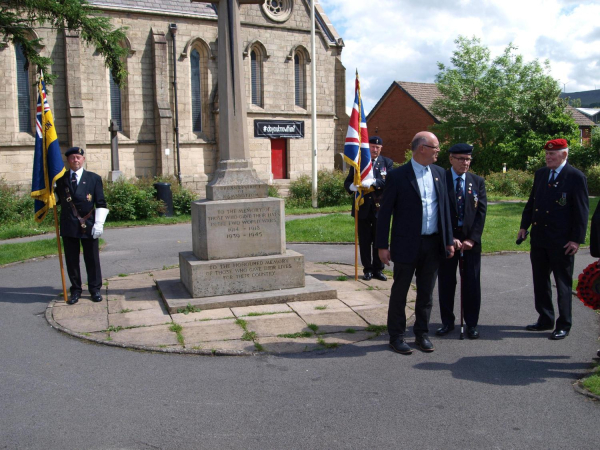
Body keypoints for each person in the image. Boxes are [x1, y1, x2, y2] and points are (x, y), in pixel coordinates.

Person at [376, 131, 455, 354]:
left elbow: (445, 211)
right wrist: (382, 245)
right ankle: (397, 336)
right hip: (406, 245)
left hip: (433, 244)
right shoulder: (398, 176)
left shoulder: (440, 173)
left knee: (426, 293)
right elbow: (385, 214)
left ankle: (421, 334)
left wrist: (448, 240)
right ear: (422, 148)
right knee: (400, 292)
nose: (439, 151)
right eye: (435, 147)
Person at [518, 138, 589, 340]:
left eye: (552, 154)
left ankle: (564, 323)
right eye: (547, 154)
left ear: (564, 154)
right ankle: (545, 318)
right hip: (540, 239)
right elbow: (532, 203)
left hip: (562, 241)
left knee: (562, 283)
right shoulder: (541, 174)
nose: (548, 157)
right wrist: (524, 226)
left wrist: (576, 240)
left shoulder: (575, 177)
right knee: (540, 281)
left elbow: (581, 212)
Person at [436, 143, 487, 339]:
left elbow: (481, 213)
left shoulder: (477, 181)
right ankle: (447, 322)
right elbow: (439, 212)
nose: (465, 163)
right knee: (447, 283)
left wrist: (472, 239)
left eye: (468, 159)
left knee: (472, 284)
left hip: (470, 244)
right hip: (448, 243)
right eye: (461, 159)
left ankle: (472, 323)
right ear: (451, 159)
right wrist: (450, 238)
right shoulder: (441, 180)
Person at [56, 147, 109, 305]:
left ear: (83, 159)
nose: (75, 160)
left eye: (78, 157)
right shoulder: (60, 180)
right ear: (68, 161)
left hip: (89, 224)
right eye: (72, 158)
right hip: (69, 225)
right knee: (72, 260)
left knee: (92, 258)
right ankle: (76, 290)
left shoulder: (93, 178)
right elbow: (58, 201)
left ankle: (94, 289)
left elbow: (100, 202)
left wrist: (99, 223)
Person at [344, 136, 394, 281]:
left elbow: (389, 182)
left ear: (381, 148)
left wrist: (375, 182)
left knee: (379, 240)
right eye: (372, 147)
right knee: (365, 241)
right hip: (363, 207)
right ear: (368, 147)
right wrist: (351, 187)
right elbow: (348, 182)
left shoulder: (387, 163)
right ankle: (368, 269)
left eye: (377, 147)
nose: (375, 149)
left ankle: (378, 269)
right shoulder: (359, 164)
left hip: (380, 209)